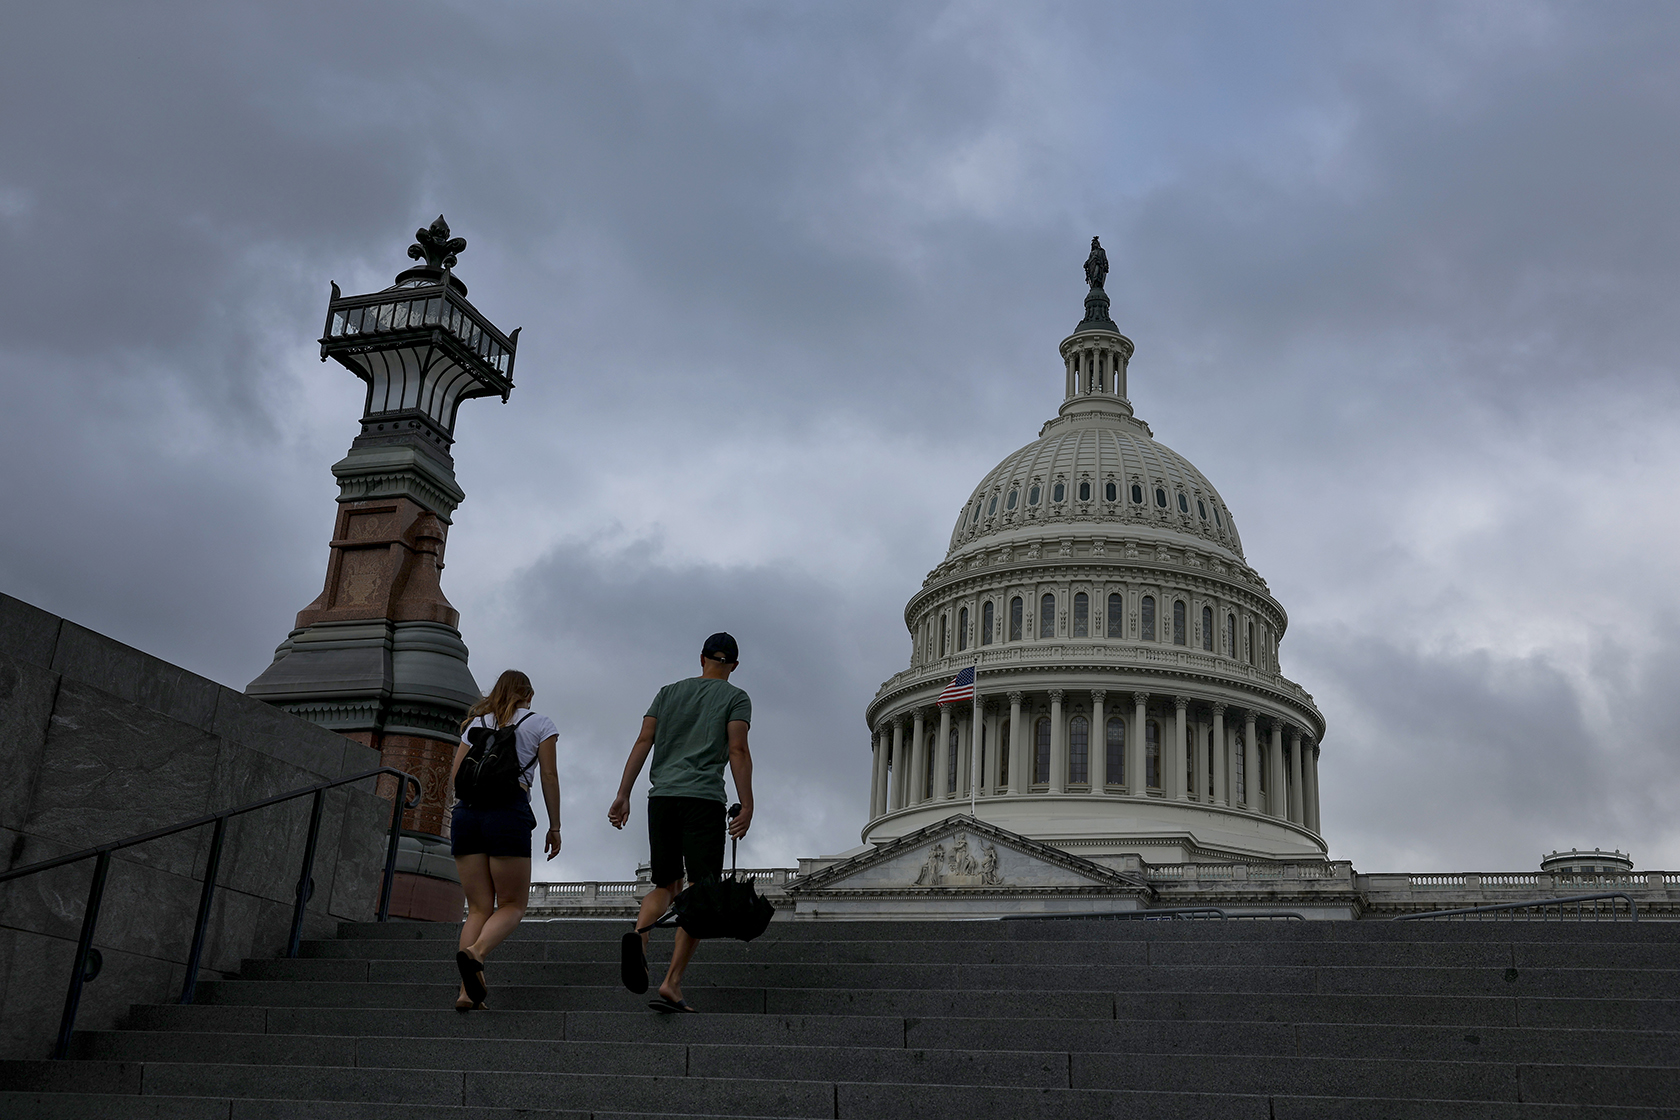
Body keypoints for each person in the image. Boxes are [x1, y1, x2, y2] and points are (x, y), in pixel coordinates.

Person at [609, 632, 754, 1013]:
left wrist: (623, 794)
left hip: (662, 798)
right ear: (734, 666)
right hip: (703, 799)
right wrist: (748, 804)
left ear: (701, 658)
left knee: (665, 883)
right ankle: (671, 983)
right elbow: (737, 749)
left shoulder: (667, 693)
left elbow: (643, 741)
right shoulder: (736, 697)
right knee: (700, 892)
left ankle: (640, 938)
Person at [449, 669, 560, 1011]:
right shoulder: (541, 724)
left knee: (479, 908)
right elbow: (548, 775)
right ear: (528, 694)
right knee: (512, 905)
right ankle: (476, 954)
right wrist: (555, 826)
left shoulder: (476, 724)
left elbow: (455, 776)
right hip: (507, 814)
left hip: (466, 815)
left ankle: (466, 993)